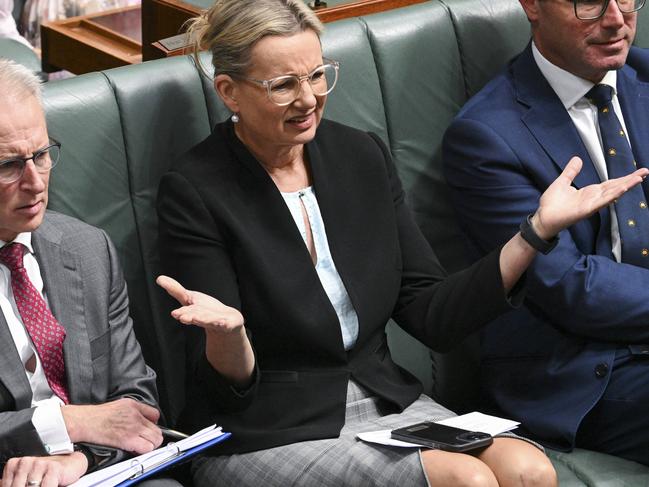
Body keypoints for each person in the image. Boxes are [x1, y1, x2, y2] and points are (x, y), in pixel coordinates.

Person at [155, 0, 647, 485]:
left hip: (386, 402)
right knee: (465, 480)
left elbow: (432, 314)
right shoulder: (196, 189)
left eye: (317, 75)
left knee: (529, 471)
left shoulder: (359, 155)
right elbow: (221, 386)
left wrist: (534, 233)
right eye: (283, 85)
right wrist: (230, 336)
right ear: (229, 92)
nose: (308, 98)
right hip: (268, 426)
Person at [443, 0, 649, 467]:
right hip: (591, 371)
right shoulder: (486, 135)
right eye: (589, 2)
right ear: (532, 5)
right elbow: (569, 286)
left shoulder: (645, 76)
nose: (617, 18)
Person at [0, 59, 165, 487]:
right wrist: (68, 423)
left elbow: (138, 403)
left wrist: (82, 460)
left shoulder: (89, 249)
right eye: (9, 166)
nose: (35, 182)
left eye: (40, 155)